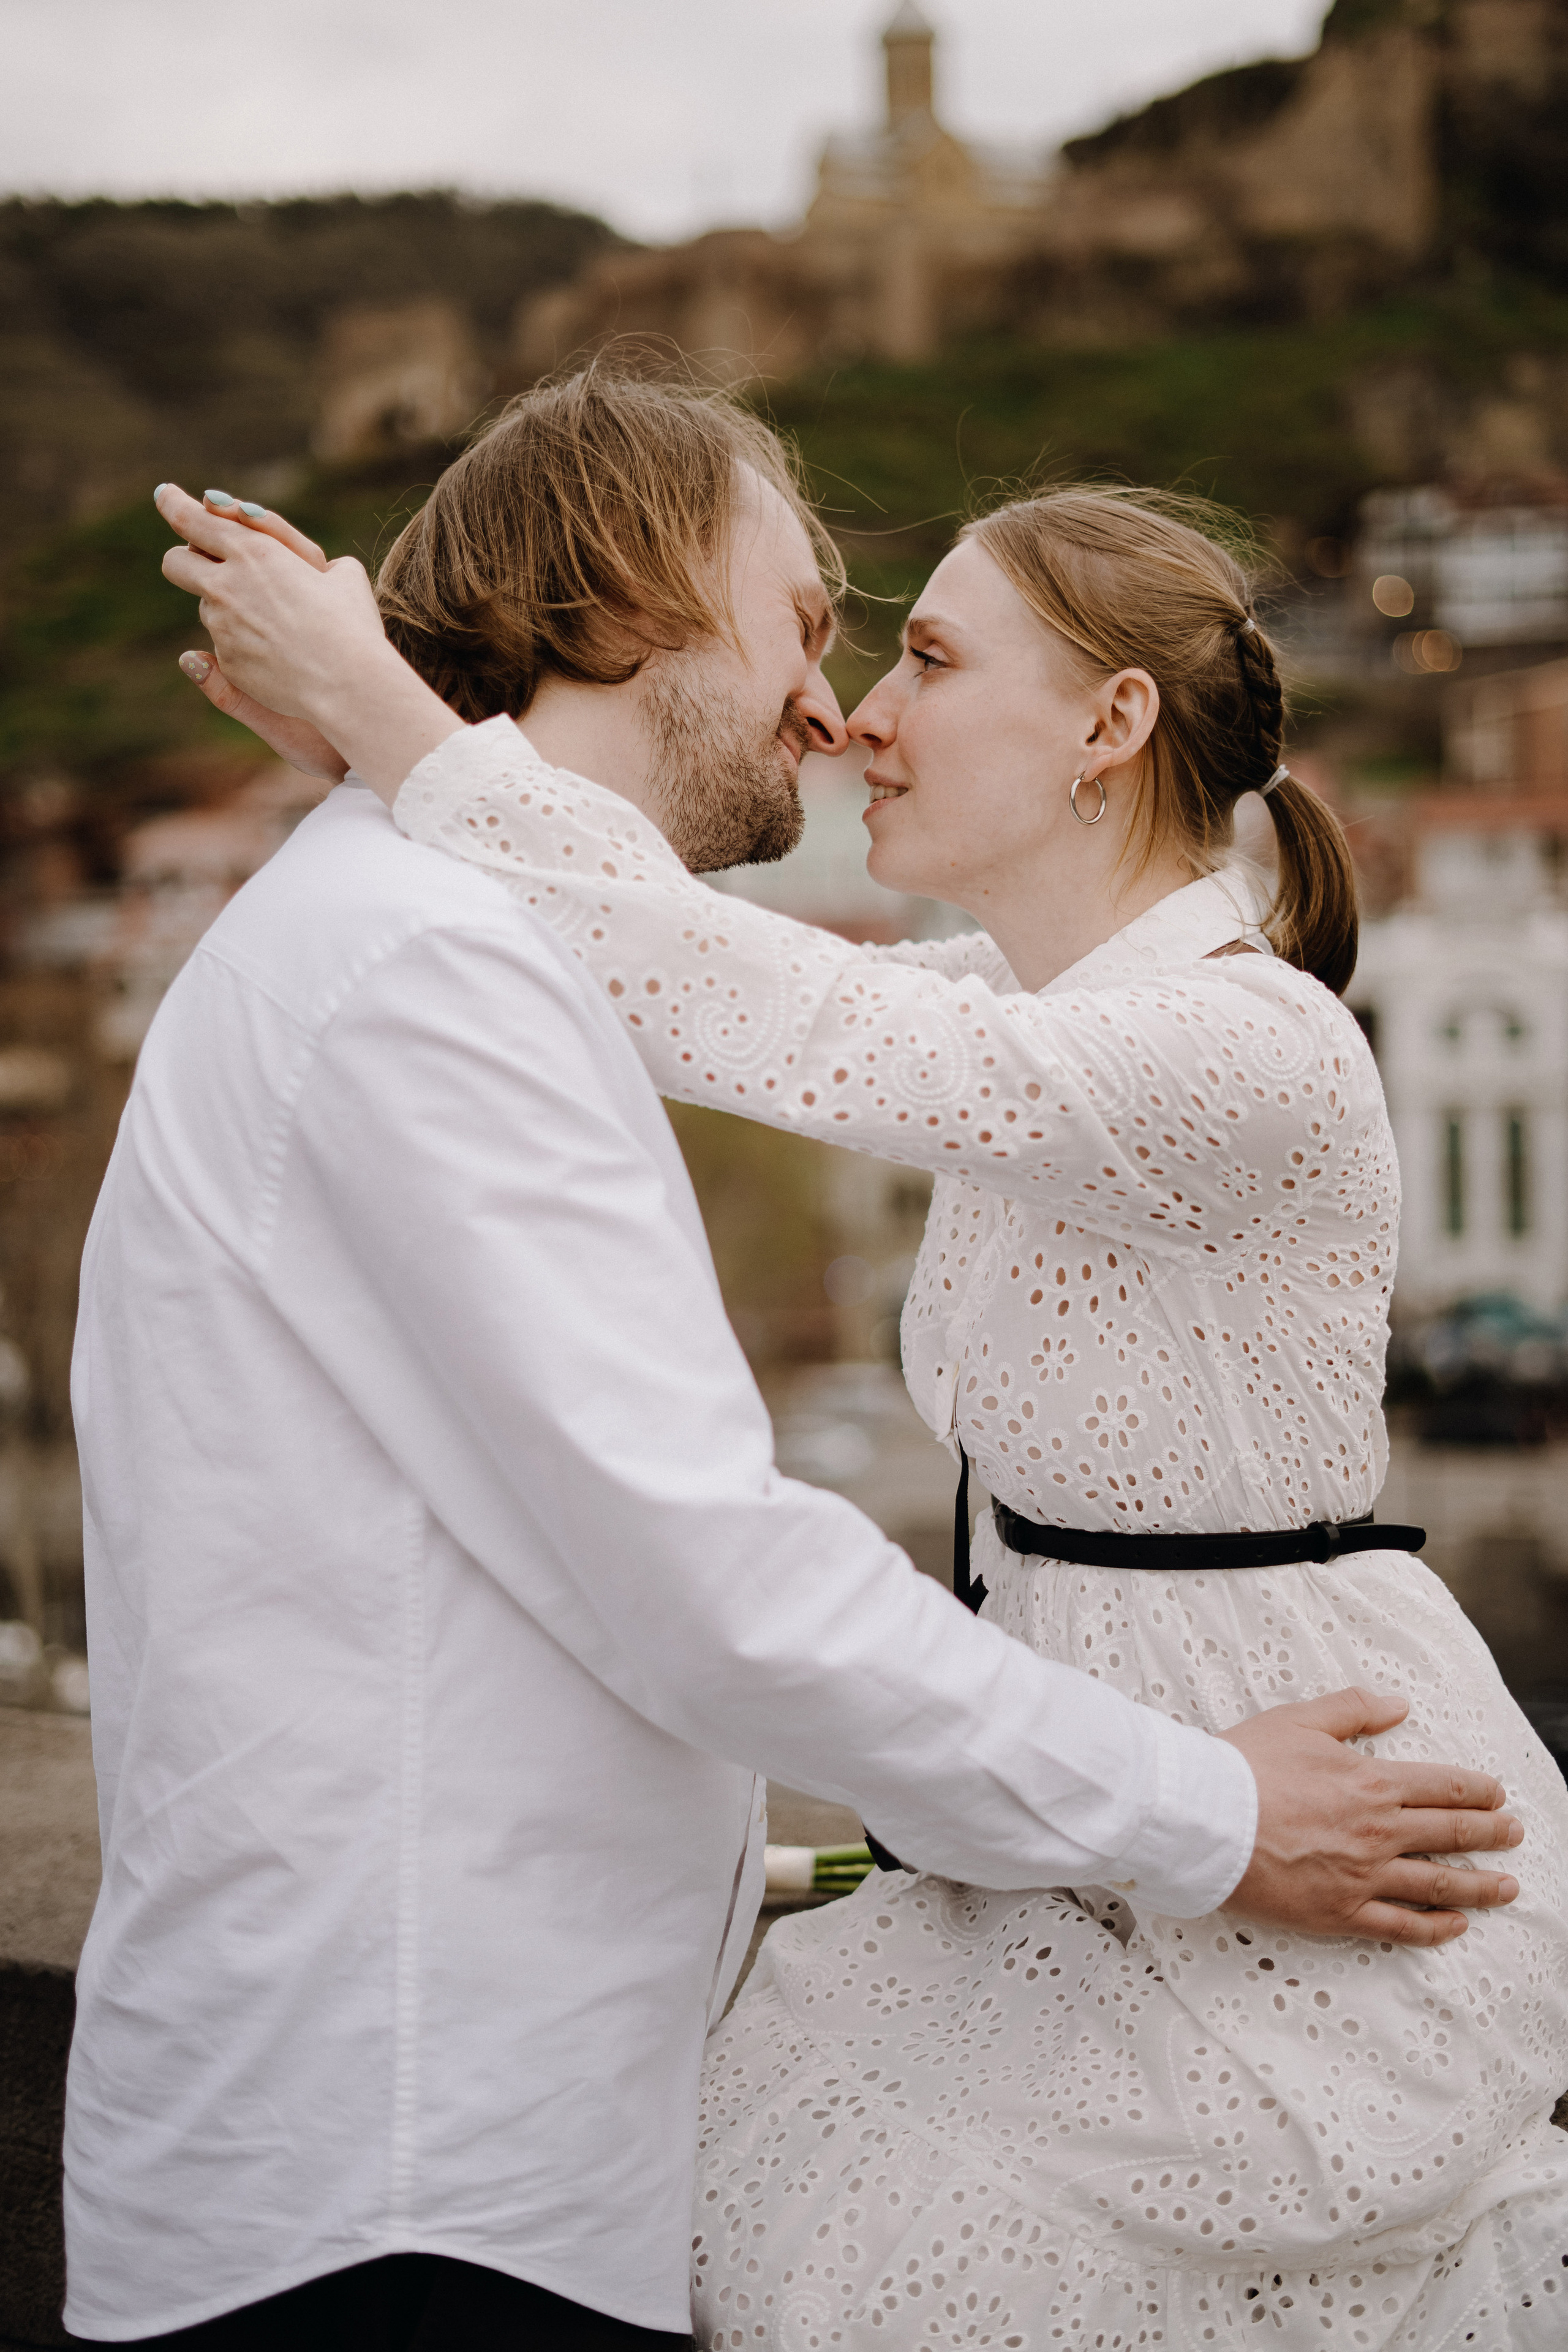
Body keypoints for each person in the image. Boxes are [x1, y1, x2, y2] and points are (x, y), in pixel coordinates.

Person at [137, 372, 1542, 2352]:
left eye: (923, 655)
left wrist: (398, 722)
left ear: (1110, 727)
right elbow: (718, 982)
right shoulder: (1007, 1002)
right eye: (825, 627)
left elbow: (761, 1002)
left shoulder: (1236, 1041)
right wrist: (414, 740)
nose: (851, 710)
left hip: (1280, 1767)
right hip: (1102, 1798)